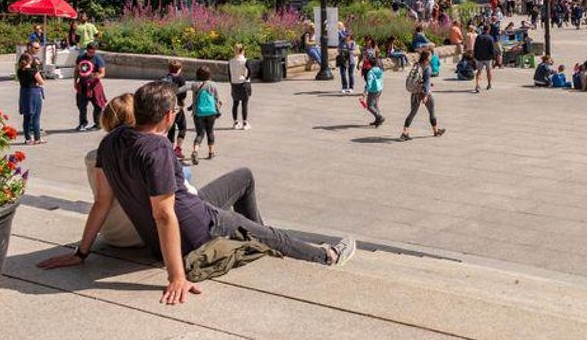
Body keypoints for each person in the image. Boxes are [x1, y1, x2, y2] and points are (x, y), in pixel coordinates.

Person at [38, 81, 356, 304]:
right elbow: (164, 214)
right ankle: (326, 255)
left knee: (243, 176)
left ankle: (258, 231)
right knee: (275, 236)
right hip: (197, 228)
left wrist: (81, 252)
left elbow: (102, 202)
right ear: (168, 117)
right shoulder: (157, 148)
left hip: (171, 226)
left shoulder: (110, 141)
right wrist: (176, 276)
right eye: (176, 110)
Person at [81, 94, 144, 248]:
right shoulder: (145, 154)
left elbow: (102, 201)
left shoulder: (93, 157)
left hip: (110, 232)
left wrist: (82, 250)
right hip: (142, 234)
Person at [401, 49, 444, 141]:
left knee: (413, 112)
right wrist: (424, 95)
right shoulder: (427, 67)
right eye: (431, 55)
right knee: (431, 111)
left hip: (415, 92)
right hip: (424, 93)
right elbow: (426, 82)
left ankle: (405, 132)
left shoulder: (417, 64)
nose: (432, 57)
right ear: (428, 57)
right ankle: (436, 131)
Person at [74, 44, 107, 131]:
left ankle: (97, 124)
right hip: (83, 84)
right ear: (87, 50)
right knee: (81, 105)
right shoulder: (81, 57)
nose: (91, 53)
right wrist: (75, 82)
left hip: (94, 85)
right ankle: (83, 123)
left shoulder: (98, 59)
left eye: (93, 52)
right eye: (90, 52)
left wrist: (96, 76)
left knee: (98, 105)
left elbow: (102, 73)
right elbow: (77, 70)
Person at [17, 53, 45, 144]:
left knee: (27, 117)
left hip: (24, 92)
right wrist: (37, 68)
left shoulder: (20, 71)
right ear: (30, 60)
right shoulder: (33, 71)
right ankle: (37, 138)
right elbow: (41, 82)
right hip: (34, 93)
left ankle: (28, 138)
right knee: (36, 117)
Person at [163, 61, 189, 159]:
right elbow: (183, 94)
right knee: (182, 127)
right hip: (177, 106)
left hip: (166, 106)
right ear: (179, 69)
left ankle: (169, 149)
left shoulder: (164, 78)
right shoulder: (180, 79)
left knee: (171, 129)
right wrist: (182, 103)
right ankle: (177, 149)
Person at [228, 44, 252, 131]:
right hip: (243, 83)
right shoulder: (245, 61)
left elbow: (229, 73)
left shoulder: (231, 61)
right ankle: (245, 123)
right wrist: (246, 78)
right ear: (242, 50)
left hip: (234, 83)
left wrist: (231, 81)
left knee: (235, 104)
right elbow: (250, 71)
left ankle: (235, 122)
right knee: (244, 104)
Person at [473, 26, 496, 93]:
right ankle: (489, 84)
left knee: (479, 72)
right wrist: (493, 58)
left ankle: (477, 85)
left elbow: (475, 47)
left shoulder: (478, 37)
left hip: (479, 57)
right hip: (488, 58)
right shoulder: (490, 38)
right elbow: (492, 49)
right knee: (488, 71)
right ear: (488, 30)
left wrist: (475, 56)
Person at [362, 58, 385, 127]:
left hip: (373, 90)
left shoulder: (371, 72)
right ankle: (378, 120)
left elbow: (369, 82)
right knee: (375, 105)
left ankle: (380, 117)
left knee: (370, 106)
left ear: (369, 64)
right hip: (379, 89)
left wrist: (365, 91)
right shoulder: (379, 70)